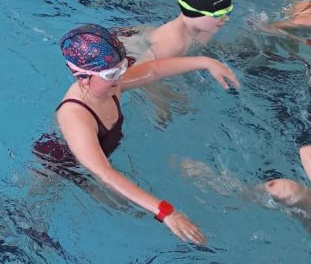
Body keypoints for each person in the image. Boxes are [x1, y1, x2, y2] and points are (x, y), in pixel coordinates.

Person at [35, 24, 240, 244]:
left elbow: (154, 70)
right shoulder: (75, 116)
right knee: (127, 212)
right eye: (112, 73)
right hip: (59, 165)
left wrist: (206, 62)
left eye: (123, 67)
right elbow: (104, 173)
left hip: (97, 158)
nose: (121, 76)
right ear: (83, 77)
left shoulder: (110, 84)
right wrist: (166, 212)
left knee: (134, 207)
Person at [129, 0, 232, 61]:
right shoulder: (173, 44)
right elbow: (142, 72)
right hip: (130, 49)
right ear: (196, 13)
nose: (227, 18)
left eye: (228, 11)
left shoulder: (207, 29)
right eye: (219, 14)